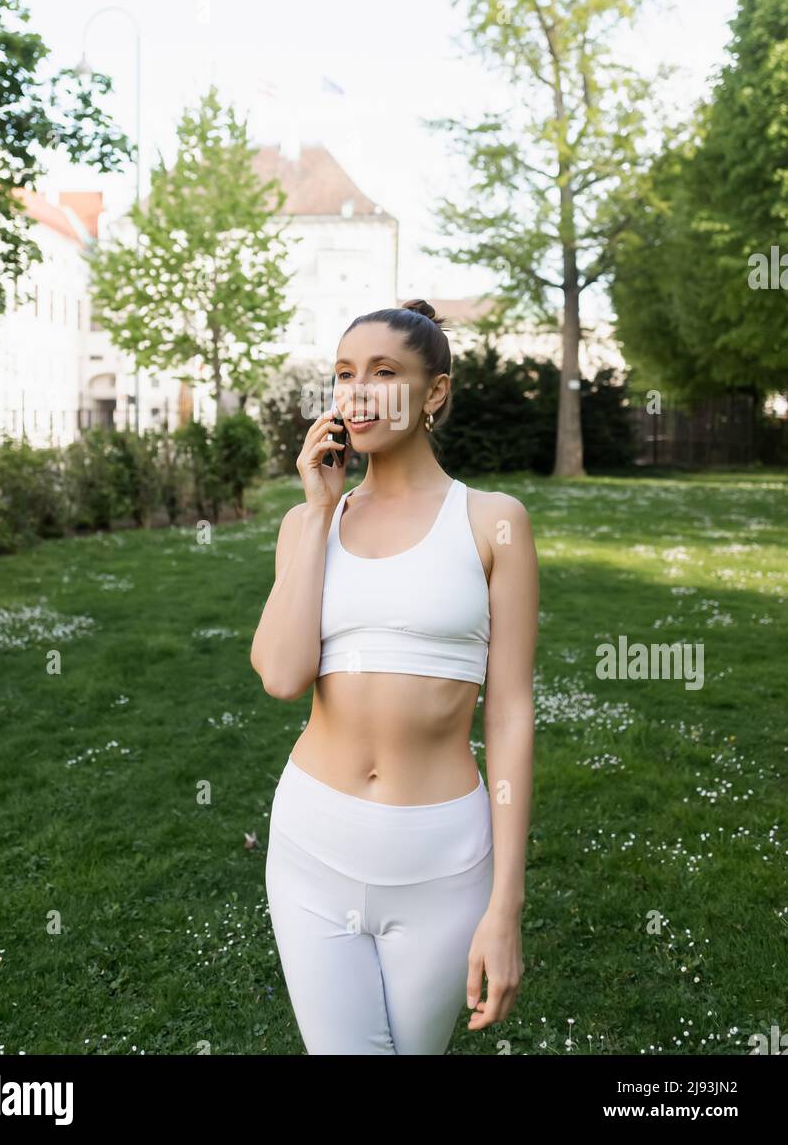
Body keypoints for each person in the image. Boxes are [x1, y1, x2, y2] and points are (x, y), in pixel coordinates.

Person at [250, 298, 538, 1055]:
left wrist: (504, 904)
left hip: (442, 861)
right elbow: (282, 677)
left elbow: (508, 713)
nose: (359, 393)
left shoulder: (493, 521)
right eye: (345, 375)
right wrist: (316, 514)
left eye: (385, 373)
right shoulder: (311, 524)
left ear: (434, 392)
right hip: (312, 845)